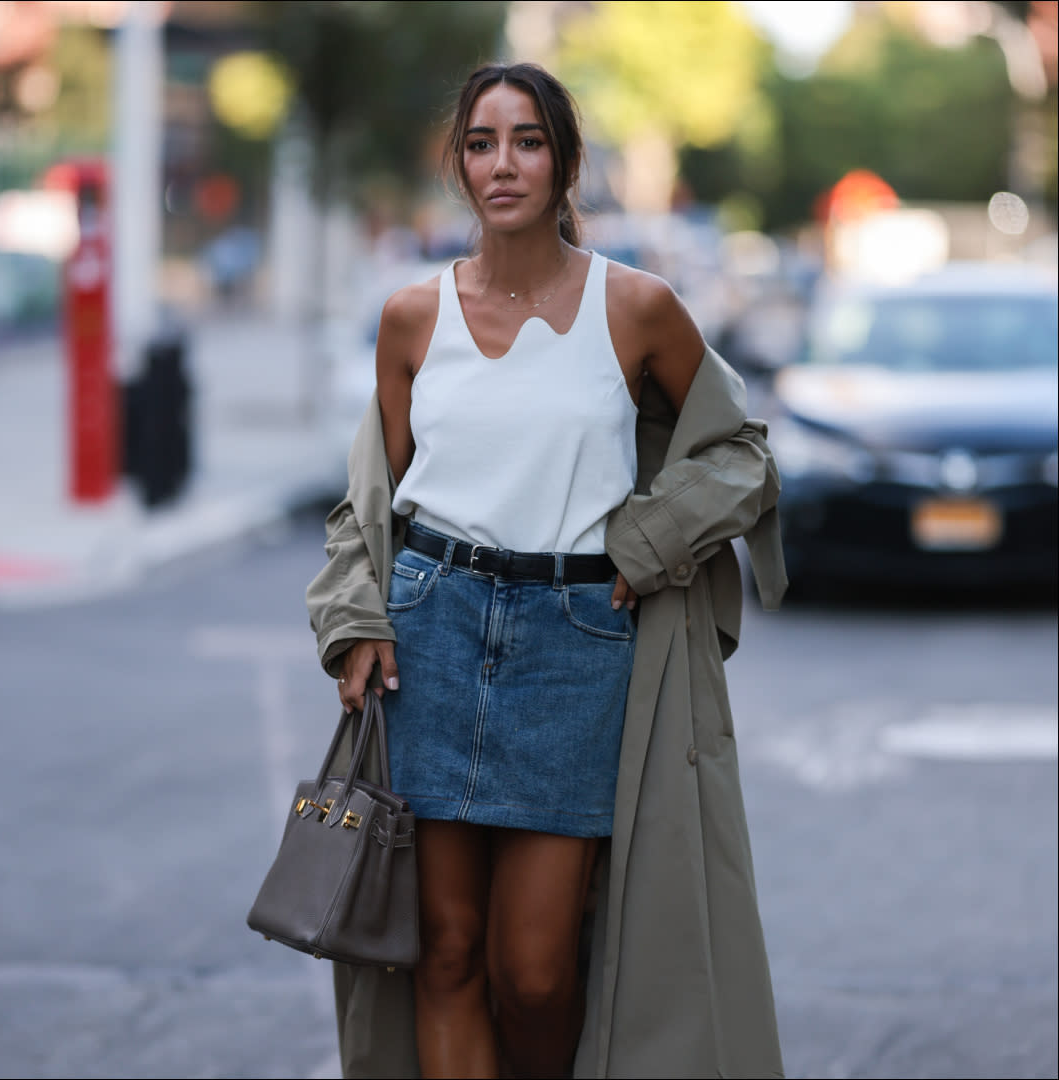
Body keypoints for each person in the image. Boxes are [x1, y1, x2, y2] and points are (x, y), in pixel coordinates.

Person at [306, 62, 788, 1080]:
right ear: (460, 165)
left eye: (527, 141)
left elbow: (739, 452)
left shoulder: (638, 308)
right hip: (431, 631)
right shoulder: (410, 318)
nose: (502, 164)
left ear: (566, 163)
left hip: (575, 644)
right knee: (441, 952)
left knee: (534, 968)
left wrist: (650, 542)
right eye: (482, 142)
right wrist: (357, 616)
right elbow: (372, 494)